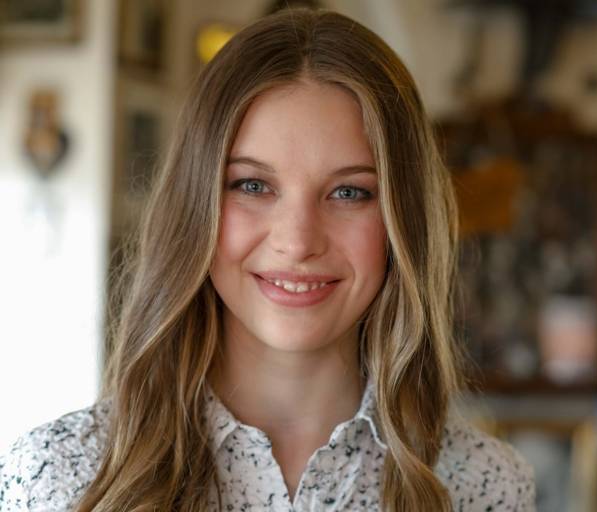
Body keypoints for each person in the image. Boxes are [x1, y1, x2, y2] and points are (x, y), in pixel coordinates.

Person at [0, 8, 534, 511]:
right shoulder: (60, 478)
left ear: (404, 220)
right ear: (196, 205)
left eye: (350, 193)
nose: (298, 241)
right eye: (252, 185)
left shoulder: (484, 486)